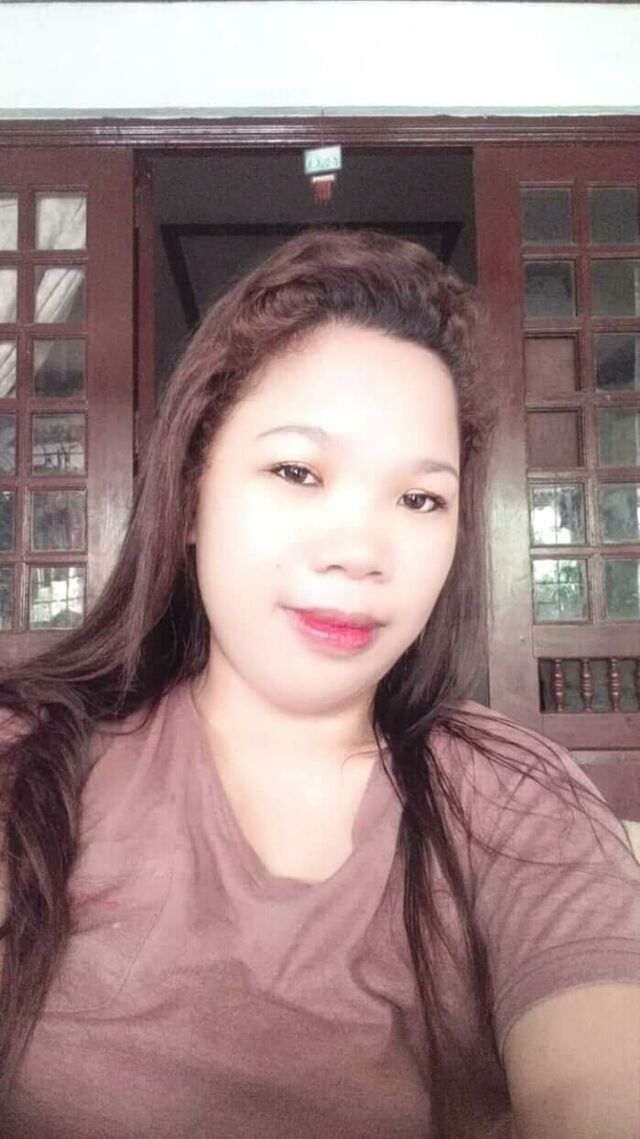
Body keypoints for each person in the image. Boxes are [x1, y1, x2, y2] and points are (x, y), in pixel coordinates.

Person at [0, 229, 638, 1139]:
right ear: (192, 491)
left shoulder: (516, 802)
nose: (359, 551)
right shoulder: (29, 761)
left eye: (420, 498)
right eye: (298, 471)